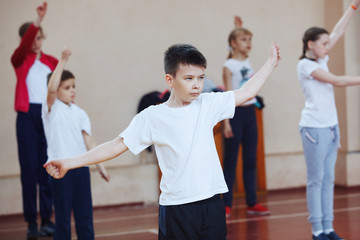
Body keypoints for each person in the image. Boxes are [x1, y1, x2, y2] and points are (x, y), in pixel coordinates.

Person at [44, 42, 280, 240]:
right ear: (170, 79)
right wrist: (69, 162)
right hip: (177, 208)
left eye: (200, 77)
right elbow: (116, 145)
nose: (196, 84)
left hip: (212, 204)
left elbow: (247, 92)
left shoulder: (208, 104)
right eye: (188, 78)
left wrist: (270, 63)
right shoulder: (152, 116)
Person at [297, 1, 360, 239]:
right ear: (310, 44)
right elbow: (337, 81)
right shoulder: (304, 65)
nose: (328, 46)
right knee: (316, 180)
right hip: (314, 129)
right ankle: (317, 231)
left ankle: (328, 228)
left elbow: (338, 31)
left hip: (331, 128)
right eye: (323, 44)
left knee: (329, 180)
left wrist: (353, 7)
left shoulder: (321, 58)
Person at [42, 47, 110, 240]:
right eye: (67, 87)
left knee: (85, 218)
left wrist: (100, 166)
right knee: (62, 221)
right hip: (59, 170)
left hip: (80, 170)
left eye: (73, 86)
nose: (72, 90)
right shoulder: (50, 109)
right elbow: (51, 89)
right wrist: (62, 60)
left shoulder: (80, 113)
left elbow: (90, 141)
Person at [10, 2, 57, 239]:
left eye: (40, 37)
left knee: (45, 170)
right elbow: (24, 47)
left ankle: (48, 220)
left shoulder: (51, 62)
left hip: (46, 117)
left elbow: (60, 86)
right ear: (26, 40)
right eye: (33, 38)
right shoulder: (19, 60)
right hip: (27, 118)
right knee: (29, 172)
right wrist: (37, 20)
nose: (37, 42)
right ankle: (31, 223)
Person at [222, 16, 270, 217]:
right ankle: (226, 204)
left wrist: (239, 30)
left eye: (250, 40)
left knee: (251, 160)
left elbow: (237, 44)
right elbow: (226, 95)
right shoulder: (228, 66)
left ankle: (252, 203)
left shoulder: (247, 60)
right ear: (233, 43)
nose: (248, 43)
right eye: (244, 40)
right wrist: (226, 123)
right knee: (231, 161)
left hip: (251, 113)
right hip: (235, 114)